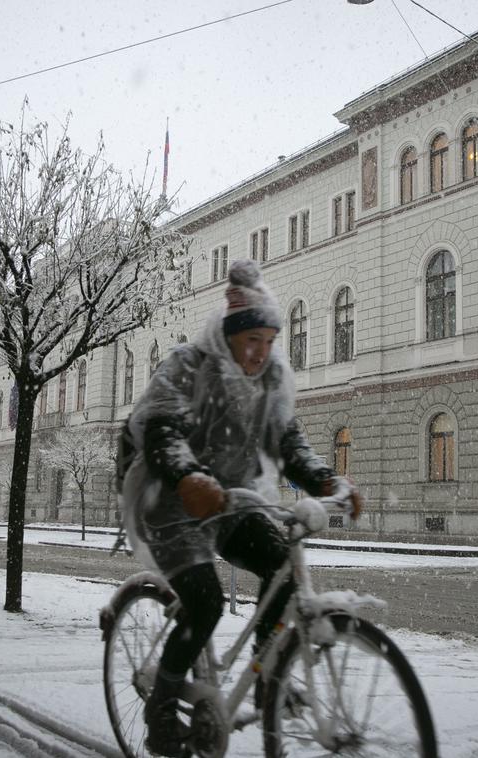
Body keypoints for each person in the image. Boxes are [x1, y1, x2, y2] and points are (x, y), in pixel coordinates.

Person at [121, 260, 363, 757]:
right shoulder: (190, 364)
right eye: (251, 340)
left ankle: (267, 674)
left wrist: (327, 479)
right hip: (170, 496)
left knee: (283, 569)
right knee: (205, 600)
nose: (260, 352)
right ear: (230, 336)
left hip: (228, 497)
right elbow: (162, 427)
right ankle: (161, 708)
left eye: (269, 341)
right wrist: (187, 476)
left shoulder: (269, 378)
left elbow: (287, 440)